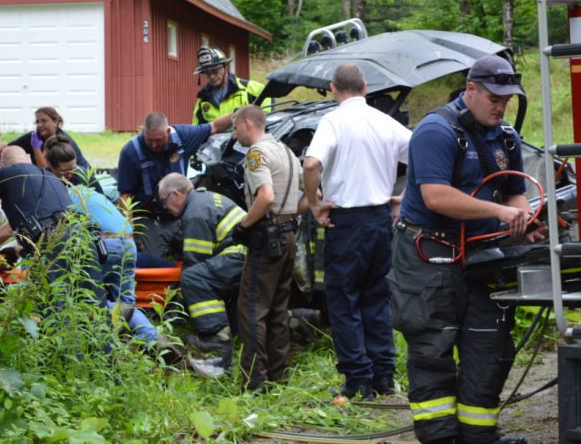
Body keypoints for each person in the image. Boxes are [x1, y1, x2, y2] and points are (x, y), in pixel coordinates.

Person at [389, 55, 545, 444]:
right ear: (470, 90)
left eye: (507, 100)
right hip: (428, 258)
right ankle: (440, 439)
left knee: (488, 347)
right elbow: (437, 197)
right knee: (432, 350)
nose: (501, 106)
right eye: (494, 97)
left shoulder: (505, 136)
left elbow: (514, 192)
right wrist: (499, 212)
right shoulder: (436, 131)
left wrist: (523, 219)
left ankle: (479, 438)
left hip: (481, 260)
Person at [303, 64, 412, 400]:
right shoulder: (385, 122)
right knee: (377, 299)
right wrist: (403, 199)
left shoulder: (333, 122)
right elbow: (424, 153)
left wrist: (314, 202)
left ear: (334, 89)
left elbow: (310, 164)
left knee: (344, 299)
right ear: (365, 87)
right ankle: (384, 377)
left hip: (346, 223)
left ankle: (357, 380)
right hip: (381, 220)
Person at [44, 135, 162, 347]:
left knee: (88, 296)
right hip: (128, 242)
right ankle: (152, 339)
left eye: (72, 170)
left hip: (107, 244)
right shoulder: (91, 193)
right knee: (125, 302)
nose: (70, 174)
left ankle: (101, 344)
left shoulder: (64, 194)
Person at [0, 146, 103, 309]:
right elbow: (49, 221)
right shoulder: (51, 177)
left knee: (55, 308)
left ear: (3, 165)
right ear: (29, 160)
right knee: (93, 306)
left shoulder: (6, 173)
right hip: (85, 238)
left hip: (54, 242)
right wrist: (15, 249)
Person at [230, 104, 304, 391]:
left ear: (248, 124)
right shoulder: (287, 152)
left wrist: (244, 226)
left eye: (236, 128)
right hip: (288, 237)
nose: (235, 136)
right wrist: (289, 217)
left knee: (251, 308)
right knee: (277, 308)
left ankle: (255, 381)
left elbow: (266, 197)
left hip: (266, 238)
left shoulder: (256, 154)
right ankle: (278, 375)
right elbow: (314, 196)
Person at [116, 111, 233, 259]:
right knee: (151, 261)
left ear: (168, 132)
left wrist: (238, 114)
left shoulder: (183, 137)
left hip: (180, 213)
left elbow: (214, 126)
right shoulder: (130, 152)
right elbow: (125, 196)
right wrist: (130, 233)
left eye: (158, 140)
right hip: (149, 217)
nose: (153, 145)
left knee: (198, 253)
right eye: (149, 140)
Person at [158, 173, 246, 366]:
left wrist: (175, 306)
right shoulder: (203, 200)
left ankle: (215, 339)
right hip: (247, 254)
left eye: (164, 200)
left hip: (238, 255)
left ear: (177, 194)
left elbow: (196, 262)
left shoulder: (195, 214)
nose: (164, 206)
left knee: (192, 278)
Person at [9, 106, 100, 190]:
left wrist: (36, 149)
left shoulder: (64, 143)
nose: (40, 125)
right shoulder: (35, 137)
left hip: (77, 179)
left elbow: (49, 172)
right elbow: (8, 147)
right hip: (58, 177)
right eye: (37, 122)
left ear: (55, 121)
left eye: (44, 121)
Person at [192, 46, 269, 125]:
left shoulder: (252, 89)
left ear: (225, 67)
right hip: (217, 137)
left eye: (215, 71)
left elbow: (268, 116)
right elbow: (197, 130)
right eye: (207, 73)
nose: (212, 76)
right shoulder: (203, 100)